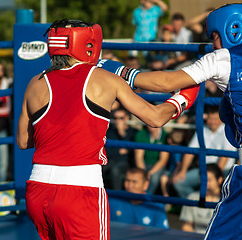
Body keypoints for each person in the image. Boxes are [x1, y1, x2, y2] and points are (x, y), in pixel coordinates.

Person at [99, 3, 242, 239]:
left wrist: (122, 72)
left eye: (214, 36)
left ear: (233, 30)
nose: (212, 44)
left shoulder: (223, 58)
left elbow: (166, 83)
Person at [17, 19, 199, 240]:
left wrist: (62, 133)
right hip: (80, 190)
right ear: (88, 44)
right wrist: (182, 99)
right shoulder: (104, 78)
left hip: (38, 190)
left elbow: (23, 141)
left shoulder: (36, 82)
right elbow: (155, 117)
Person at [172, 106, 236, 198]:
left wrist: (214, 176)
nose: (212, 121)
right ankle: (198, 201)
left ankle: (212, 205)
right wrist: (183, 171)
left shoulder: (226, 131)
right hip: (204, 169)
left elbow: (224, 157)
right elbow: (190, 151)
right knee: (179, 182)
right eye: (210, 118)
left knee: (220, 188)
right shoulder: (203, 130)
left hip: (223, 171)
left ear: (220, 119)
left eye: (215, 118)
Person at [180, 163, 224, 234]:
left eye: (209, 180)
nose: (205, 183)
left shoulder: (227, 200)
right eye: (203, 180)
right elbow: (186, 226)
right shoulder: (192, 197)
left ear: (219, 180)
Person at [103, 107, 137, 190]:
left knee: (115, 169)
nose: (118, 121)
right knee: (100, 167)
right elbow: (105, 151)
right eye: (115, 118)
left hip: (126, 163)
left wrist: (122, 133)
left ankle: (117, 195)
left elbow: (131, 152)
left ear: (127, 118)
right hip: (110, 160)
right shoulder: (109, 132)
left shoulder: (133, 132)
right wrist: (118, 151)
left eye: (121, 118)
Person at [134, 125, 169, 194]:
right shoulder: (141, 134)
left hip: (157, 166)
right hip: (144, 164)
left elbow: (163, 161)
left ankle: (146, 198)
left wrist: (149, 173)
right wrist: (143, 173)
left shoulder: (165, 136)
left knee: (154, 178)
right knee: (138, 176)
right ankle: (138, 197)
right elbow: (138, 158)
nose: (150, 123)